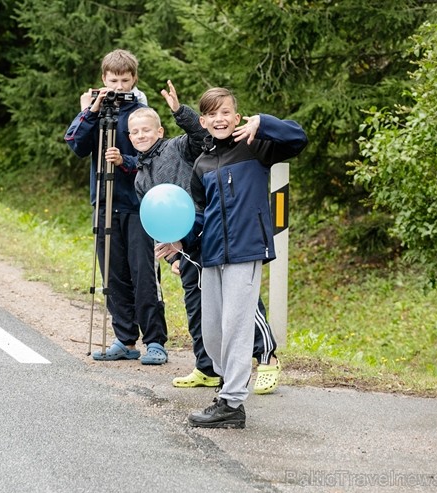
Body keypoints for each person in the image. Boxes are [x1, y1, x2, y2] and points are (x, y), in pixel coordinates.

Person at [161, 87, 307, 428]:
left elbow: (297, 137)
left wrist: (264, 123)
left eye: (225, 112)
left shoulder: (255, 148)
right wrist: (180, 242)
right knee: (213, 332)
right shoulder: (202, 164)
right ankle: (229, 390)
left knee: (237, 327)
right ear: (204, 121)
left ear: (237, 117)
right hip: (212, 255)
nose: (219, 119)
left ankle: (231, 402)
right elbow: (201, 214)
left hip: (246, 251)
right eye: (212, 114)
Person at [129, 81, 279, 393]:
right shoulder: (141, 178)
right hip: (191, 245)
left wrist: (178, 112)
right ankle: (207, 367)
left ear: (159, 132)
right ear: (129, 138)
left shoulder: (179, 148)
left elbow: (203, 135)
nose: (141, 136)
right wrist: (175, 254)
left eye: (147, 130)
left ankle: (265, 357)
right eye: (135, 132)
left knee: (242, 304)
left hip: (224, 236)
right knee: (200, 308)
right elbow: (166, 222)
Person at [64, 49, 169, 365]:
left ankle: (154, 341)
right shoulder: (97, 111)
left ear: (134, 79)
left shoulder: (141, 111)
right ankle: (125, 339)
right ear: (103, 79)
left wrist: (125, 162)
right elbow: (76, 145)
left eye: (125, 80)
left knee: (143, 274)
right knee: (113, 275)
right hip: (105, 202)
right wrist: (89, 111)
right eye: (114, 80)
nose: (120, 86)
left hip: (138, 204)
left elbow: (154, 157)